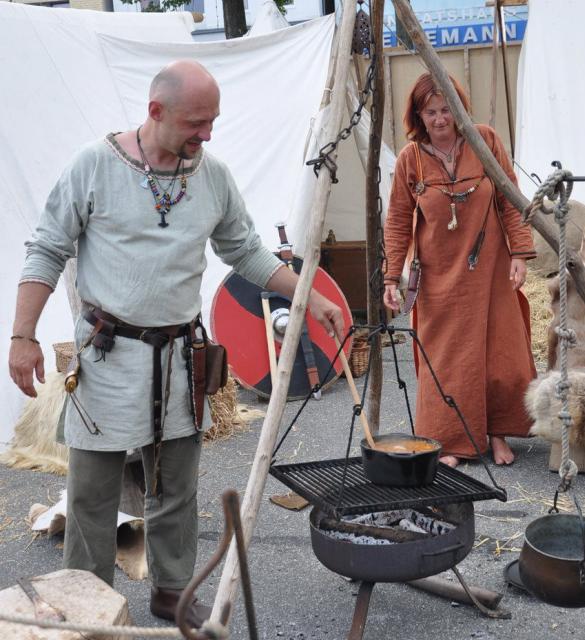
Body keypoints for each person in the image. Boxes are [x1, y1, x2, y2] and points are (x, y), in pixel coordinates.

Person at [8, 60, 343, 628]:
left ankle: (172, 592)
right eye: (196, 122)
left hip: (179, 362)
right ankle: (89, 605)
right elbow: (46, 248)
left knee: (176, 490)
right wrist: (23, 336)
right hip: (108, 359)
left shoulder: (212, 176)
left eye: (213, 121)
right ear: (155, 111)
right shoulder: (93, 166)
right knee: (91, 496)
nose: (206, 134)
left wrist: (310, 296)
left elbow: (246, 250)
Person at [383, 72, 536, 468]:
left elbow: (510, 198)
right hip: (439, 275)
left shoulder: (485, 141)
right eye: (431, 112)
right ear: (419, 115)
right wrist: (391, 276)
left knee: (500, 351)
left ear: (458, 107)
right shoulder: (411, 159)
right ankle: (451, 441)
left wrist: (519, 253)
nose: (440, 119)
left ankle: (497, 433)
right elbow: (397, 220)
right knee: (447, 358)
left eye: (446, 109)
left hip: (490, 267)